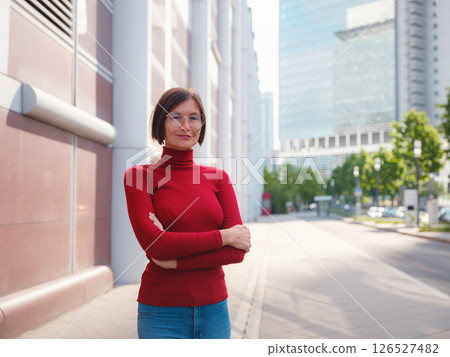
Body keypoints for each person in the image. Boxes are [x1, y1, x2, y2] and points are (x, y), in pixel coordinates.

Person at [123, 87, 251, 339]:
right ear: (160, 123)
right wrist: (223, 236)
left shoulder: (218, 178)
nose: (185, 125)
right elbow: (156, 246)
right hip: (161, 312)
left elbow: (238, 252)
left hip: (215, 309)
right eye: (175, 116)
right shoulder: (139, 177)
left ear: (202, 124)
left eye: (194, 117)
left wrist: (176, 262)